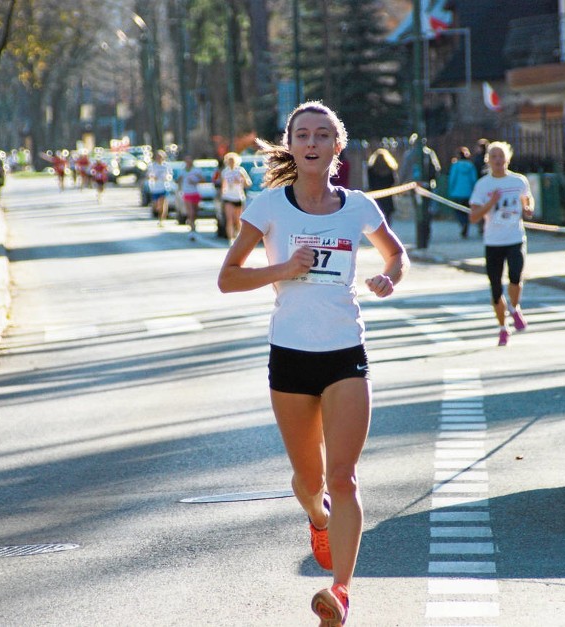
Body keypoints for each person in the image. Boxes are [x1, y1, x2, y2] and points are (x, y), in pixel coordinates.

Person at [217, 101, 408, 626]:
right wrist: (283, 266)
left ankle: (340, 593)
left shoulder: (359, 206)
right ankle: (316, 517)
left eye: (323, 135)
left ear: (336, 148)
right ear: (292, 145)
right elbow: (228, 277)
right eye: (303, 134)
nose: (312, 142)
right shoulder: (268, 207)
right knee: (309, 479)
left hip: (346, 353)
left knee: (343, 477)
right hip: (291, 357)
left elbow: (395, 253)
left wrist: (391, 276)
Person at [469, 141, 534, 347]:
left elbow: (527, 200)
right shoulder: (483, 185)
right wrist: (491, 202)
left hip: (515, 238)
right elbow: (473, 217)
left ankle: (515, 309)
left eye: (501, 156)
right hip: (493, 242)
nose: (498, 160)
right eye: (494, 156)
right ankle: (502, 327)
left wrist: (529, 208)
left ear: (507, 158)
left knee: (515, 276)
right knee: (495, 287)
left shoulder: (519, 181)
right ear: (488, 160)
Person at [221, 152, 252, 243]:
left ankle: (238, 237)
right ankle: (230, 239)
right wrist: (223, 193)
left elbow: (248, 183)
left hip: (238, 197)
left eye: (233, 161)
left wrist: (241, 181)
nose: (231, 163)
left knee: (237, 220)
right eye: (229, 161)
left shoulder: (240, 170)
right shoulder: (225, 172)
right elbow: (223, 184)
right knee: (229, 219)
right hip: (228, 197)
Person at [448, 146, 478, 238]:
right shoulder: (471, 166)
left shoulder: (455, 166)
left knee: (458, 211)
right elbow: (474, 179)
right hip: (468, 193)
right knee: (467, 210)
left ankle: (463, 224)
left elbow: (452, 178)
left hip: (457, 192)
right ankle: (466, 224)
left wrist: (451, 190)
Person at [367, 148, 399, 227]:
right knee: (388, 216)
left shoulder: (371, 170)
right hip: (388, 196)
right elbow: (393, 181)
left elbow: (370, 184)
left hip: (376, 196)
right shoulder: (390, 169)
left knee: (377, 216)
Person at [178, 155, 205, 240]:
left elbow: (203, 180)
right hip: (187, 193)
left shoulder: (196, 170)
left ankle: (193, 224)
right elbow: (178, 181)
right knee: (191, 212)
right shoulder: (182, 171)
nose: (188, 162)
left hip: (195, 193)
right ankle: (192, 230)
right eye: (187, 161)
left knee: (195, 212)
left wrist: (195, 181)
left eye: (190, 160)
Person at [147, 150, 172, 226]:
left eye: (161, 157)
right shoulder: (152, 166)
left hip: (164, 187)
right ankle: (159, 214)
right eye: (158, 157)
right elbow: (149, 175)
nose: (159, 158)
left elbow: (170, 175)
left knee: (163, 204)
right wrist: (153, 177)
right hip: (155, 188)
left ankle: (162, 220)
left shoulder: (166, 166)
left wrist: (167, 178)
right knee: (156, 206)